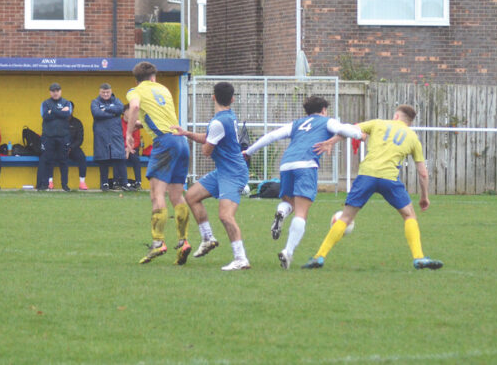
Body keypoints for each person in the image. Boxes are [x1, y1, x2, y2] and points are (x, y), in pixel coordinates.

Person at [302, 105, 444, 270]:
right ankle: (419, 258)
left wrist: (330, 142)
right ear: (409, 121)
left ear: (396, 116)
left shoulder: (378, 123)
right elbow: (423, 173)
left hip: (366, 176)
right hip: (389, 179)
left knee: (346, 218)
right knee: (409, 216)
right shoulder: (412, 137)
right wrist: (424, 196)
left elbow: (349, 130)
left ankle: (319, 257)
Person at [243, 96, 362, 269]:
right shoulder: (326, 121)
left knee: (288, 202)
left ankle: (281, 213)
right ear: (323, 110)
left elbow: (272, 136)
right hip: (306, 165)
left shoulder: (297, 123)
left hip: (286, 165)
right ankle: (288, 252)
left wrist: (249, 151)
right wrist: (359, 134)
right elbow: (344, 130)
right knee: (301, 212)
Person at [171, 82, 251, 270]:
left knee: (225, 216)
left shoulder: (218, 122)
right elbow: (210, 139)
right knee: (191, 196)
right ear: (232, 99)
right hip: (225, 170)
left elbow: (207, 150)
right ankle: (208, 238)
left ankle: (241, 259)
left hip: (233, 174)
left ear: (213, 97)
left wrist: (202, 144)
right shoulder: (227, 116)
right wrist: (187, 133)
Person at [126, 61, 191, 265]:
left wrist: (128, 133)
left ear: (137, 80)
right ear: (154, 77)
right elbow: (156, 115)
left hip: (164, 142)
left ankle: (158, 243)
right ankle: (183, 242)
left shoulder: (135, 91)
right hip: (181, 140)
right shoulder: (163, 89)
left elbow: (135, 106)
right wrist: (139, 124)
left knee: (156, 195)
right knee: (177, 195)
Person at [38, 83, 72, 191]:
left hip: (63, 137)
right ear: (50, 92)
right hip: (48, 137)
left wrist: (52, 111)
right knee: (47, 160)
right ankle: (44, 184)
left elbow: (67, 114)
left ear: (60, 91)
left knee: (64, 161)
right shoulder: (45, 103)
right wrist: (60, 112)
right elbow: (45, 116)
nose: (55, 92)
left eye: (57, 90)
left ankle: (65, 185)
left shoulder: (67, 102)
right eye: (53, 91)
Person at [91, 83, 126, 191]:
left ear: (111, 92)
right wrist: (112, 113)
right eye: (103, 92)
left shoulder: (117, 101)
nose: (106, 94)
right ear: (99, 92)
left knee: (118, 158)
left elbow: (120, 109)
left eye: (107, 92)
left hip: (115, 135)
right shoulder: (95, 102)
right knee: (103, 159)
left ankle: (122, 183)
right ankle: (104, 183)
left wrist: (105, 109)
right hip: (101, 135)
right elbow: (96, 113)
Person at [65, 102, 88, 190]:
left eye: (70, 108)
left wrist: (71, 147)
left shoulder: (77, 122)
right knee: (50, 157)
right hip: (61, 148)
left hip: (73, 148)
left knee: (82, 157)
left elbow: (80, 139)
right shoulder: (59, 122)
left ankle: (82, 182)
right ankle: (51, 182)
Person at [122, 106, 142, 190]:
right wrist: (126, 148)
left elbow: (137, 140)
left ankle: (138, 182)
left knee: (135, 159)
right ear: (123, 112)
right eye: (128, 111)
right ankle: (124, 182)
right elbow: (119, 138)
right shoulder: (119, 123)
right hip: (122, 148)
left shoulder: (135, 123)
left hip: (133, 149)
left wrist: (129, 148)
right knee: (121, 159)